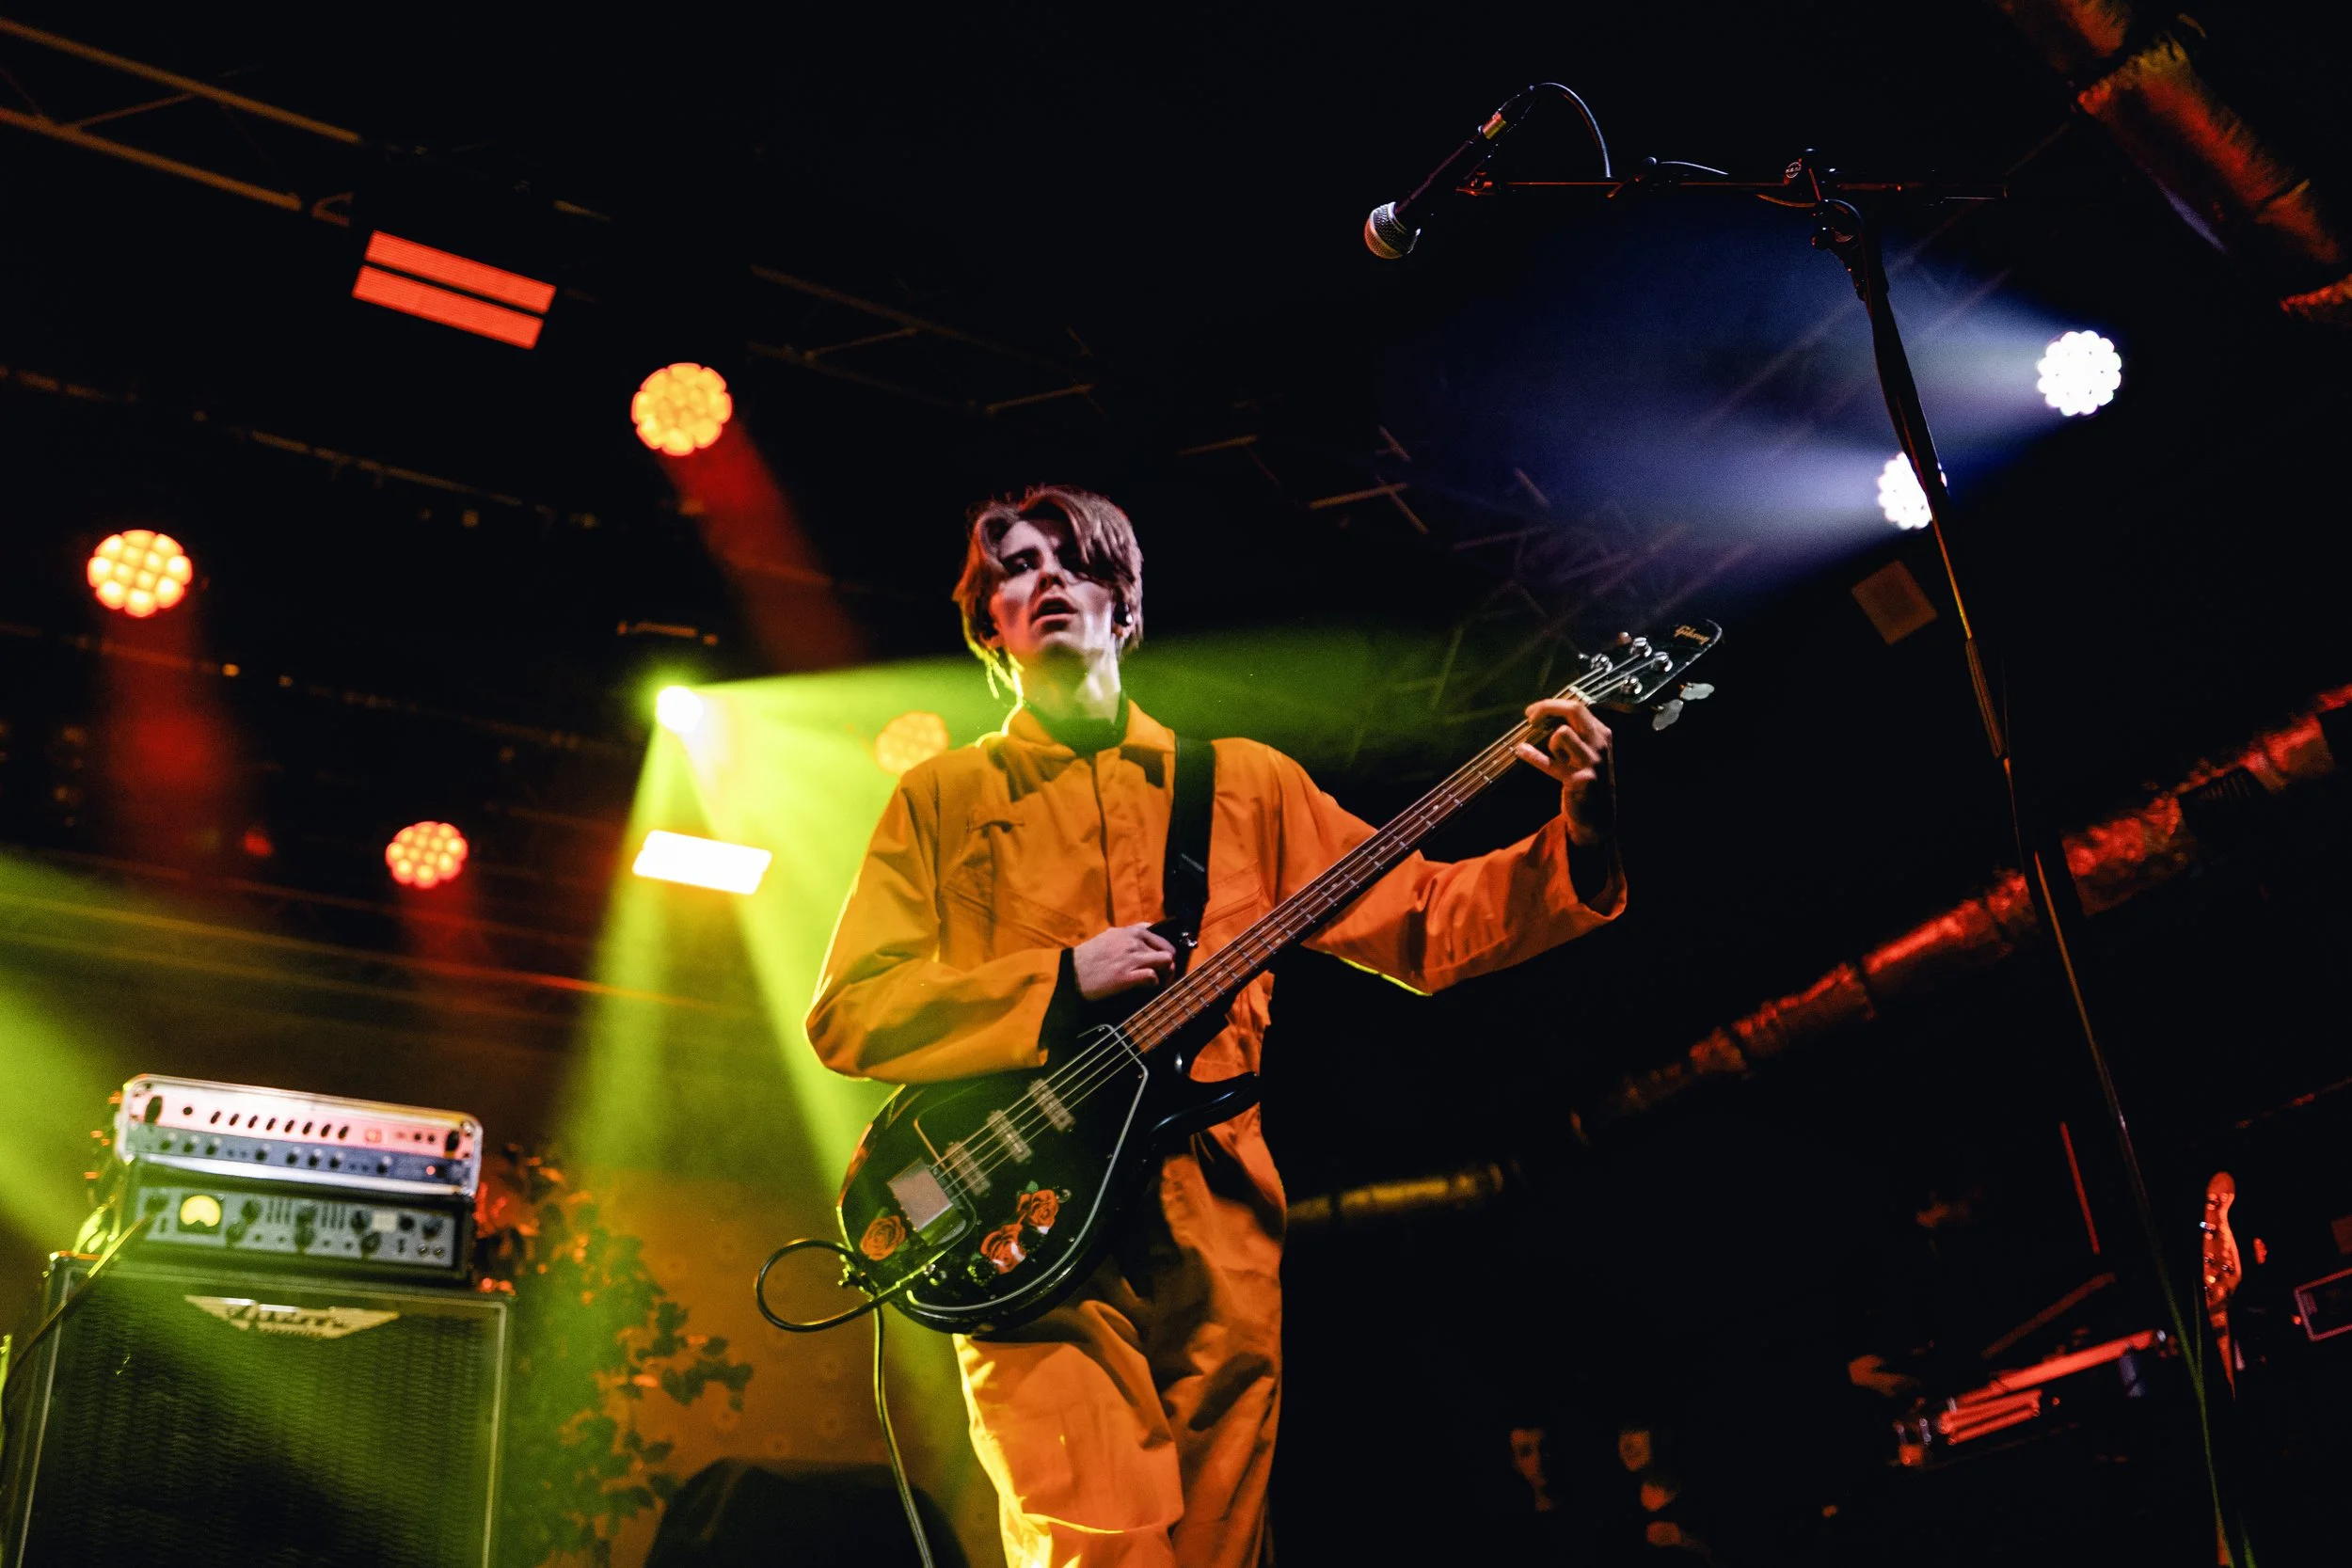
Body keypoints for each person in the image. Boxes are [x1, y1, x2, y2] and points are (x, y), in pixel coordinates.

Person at [807, 485, 1624, 1568]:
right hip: (1028, 1213)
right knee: (1093, 1538)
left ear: (1123, 602)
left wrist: (1579, 837)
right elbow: (851, 1009)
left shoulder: (1246, 783)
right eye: (1016, 567)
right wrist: (1058, 979)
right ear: (988, 626)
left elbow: (1423, 921)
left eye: (1073, 559)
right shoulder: (942, 797)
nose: (1046, 578)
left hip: (1217, 1208)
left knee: (1219, 1541)